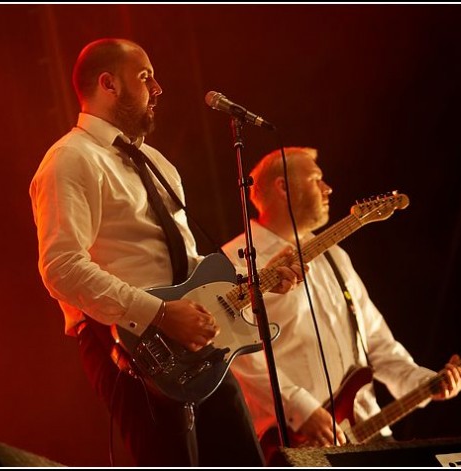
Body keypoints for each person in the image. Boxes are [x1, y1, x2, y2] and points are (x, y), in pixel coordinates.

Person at [29, 38, 304, 467]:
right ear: (109, 84)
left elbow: (189, 266)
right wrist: (158, 312)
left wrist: (259, 283)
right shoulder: (69, 159)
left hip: (194, 341)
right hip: (129, 344)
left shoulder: (156, 161)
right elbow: (61, 267)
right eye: (144, 77)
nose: (158, 89)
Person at [221, 147, 461, 462]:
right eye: (316, 179)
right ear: (283, 187)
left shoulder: (335, 256)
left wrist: (426, 382)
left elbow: (376, 342)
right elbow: (235, 353)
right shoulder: (235, 261)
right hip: (299, 442)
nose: (329, 188)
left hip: (372, 433)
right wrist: (301, 408)